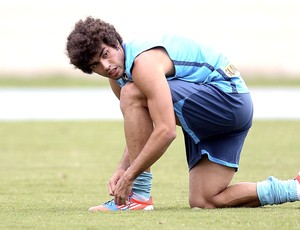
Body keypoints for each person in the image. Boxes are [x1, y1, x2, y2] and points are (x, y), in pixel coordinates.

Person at [66, 16, 300, 212]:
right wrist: (122, 167)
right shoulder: (119, 79)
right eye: (96, 65)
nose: (105, 66)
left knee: (132, 92)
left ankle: (138, 198)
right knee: (204, 199)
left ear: (116, 42)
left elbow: (166, 131)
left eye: (105, 54)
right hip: (220, 116)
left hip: (228, 101)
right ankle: (294, 188)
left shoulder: (141, 63)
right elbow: (141, 126)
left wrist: (132, 178)